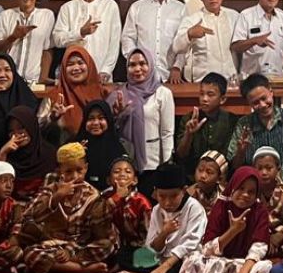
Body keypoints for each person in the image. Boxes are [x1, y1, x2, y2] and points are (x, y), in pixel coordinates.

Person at [176, 166, 274, 273]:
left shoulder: (259, 211)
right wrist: (233, 231)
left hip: (245, 264)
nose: (245, 194)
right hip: (219, 263)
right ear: (233, 187)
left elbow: (259, 246)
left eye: (251, 192)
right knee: (192, 263)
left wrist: (243, 272)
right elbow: (207, 250)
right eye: (241, 188)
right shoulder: (221, 206)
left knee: (266, 270)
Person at [19, 142, 116, 273]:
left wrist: (70, 251)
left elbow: (91, 235)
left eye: (79, 170)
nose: (75, 176)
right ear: (60, 171)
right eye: (68, 172)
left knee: (108, 245)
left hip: (78, 247)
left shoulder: (93, 196)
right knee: (30, 254)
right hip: (51, 245)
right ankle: (83, 269)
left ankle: (61, 264)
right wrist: (57, 197)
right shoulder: (51, 189)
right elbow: (29, 215)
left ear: (86, 168)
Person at [116, 162, 208, 273]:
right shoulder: (157, 210)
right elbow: (152, 248)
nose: (167, 202)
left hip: (182, 260)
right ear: (155, 193)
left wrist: (165, 266)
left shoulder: (194, 208)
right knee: (123, 255)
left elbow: (190, 244)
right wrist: (164, 233)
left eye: (173, 196)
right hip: (160, 259)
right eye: (162, 196)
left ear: (183, 190)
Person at [110, 50, 175, 193]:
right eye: (132, 65)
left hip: (153, 163)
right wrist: (119, 115)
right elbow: (111, 130)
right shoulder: (119, 94)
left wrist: (166, 166)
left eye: (142, 63)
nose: (137, 69)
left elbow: (167, 132)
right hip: (126, 165)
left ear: (150, 65)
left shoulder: (162, 93)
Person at [227, 74, 283, 183]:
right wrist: (241, 151)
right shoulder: (244, 124)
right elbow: (235, 166)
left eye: (264, 98)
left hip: (282, 184)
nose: (263, 105)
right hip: (254, 185)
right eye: (255, 103)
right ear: (249, 103)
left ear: (271, 92)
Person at [52, 0, 123, 79]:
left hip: (102, 75)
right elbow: (57, 39)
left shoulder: (110, 6)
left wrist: (106, 70)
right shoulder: (67, 8)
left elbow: (114, 44)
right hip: (74, 75)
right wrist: (80, 32)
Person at [121, 0, 186, 82]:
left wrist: (177, 67)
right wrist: (137, 63)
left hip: (171, 77)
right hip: (141, 76)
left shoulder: (181, 9)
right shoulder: (137, 7)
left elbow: (185, 43)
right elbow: (127, 38)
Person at [170, 0, 240, 84]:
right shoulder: (192, 20)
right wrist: (189, 34)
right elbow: (176, 47)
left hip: (231, 81)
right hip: (203, 81)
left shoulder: (234, 16)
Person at [0, 0, 56, 84]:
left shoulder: (47, 15)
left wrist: (43, 77)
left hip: (34, 81)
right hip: (8, 80)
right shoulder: (6, 15)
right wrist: (13, 37)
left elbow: (47, 49)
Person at [36, 44, 105, 144]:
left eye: (80, 63)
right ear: (63, 68)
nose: (76, 68)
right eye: (70, 64)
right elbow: (37, 127)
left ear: (89, 65)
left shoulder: (101, 93)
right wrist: (52, 118)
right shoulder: (55, 96)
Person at [175, 73, 238, 178]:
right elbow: (181, 154)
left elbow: (232, 159)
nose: (204, 99)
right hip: (193, 176)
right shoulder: (189, 118)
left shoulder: (231, 120)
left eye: (210, 94)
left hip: (222, 176)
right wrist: (189, 134)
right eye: (201, 94)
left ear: (222, 99)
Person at [0, 105, 57, 200]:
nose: (16, 134)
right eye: (11, 131)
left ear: (31, 126)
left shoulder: (50, 154)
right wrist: (3, 154)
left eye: (21, 128)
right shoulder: (7, 155)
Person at [233, 0, 283, 76]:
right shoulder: (246, 16)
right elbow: (236, 47)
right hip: (252, 79)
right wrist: (254, 41)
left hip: (279, 78)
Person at [106, 157, 152, 265]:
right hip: (112, 245)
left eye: (128, 171)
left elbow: (148, 232)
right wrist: (117, 198)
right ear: (108, 180)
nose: (122, 174)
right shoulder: (105, 198)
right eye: (117, 172)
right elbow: (99, 220)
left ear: (135, 180)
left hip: (137, 246)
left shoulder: (141, 202)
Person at [253, 146, 283, 258]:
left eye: (269, 168)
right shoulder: (251, 190)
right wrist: (264, 236)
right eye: (259, 168)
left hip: (281, 237)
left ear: (278, 169)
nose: (264, 172)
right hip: (257, 237)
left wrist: (281, 235)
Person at [80, 100, 126, 193]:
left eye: (101, 118)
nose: (96, 123)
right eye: (91, 118)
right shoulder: (75, 145)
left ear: (108, 120)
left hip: (113, 196)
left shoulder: (119, 147)